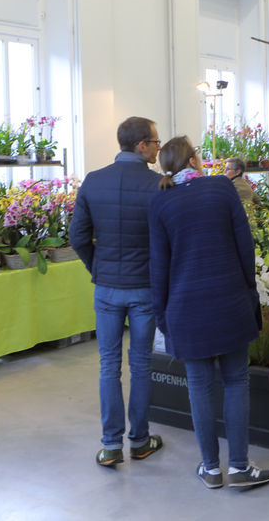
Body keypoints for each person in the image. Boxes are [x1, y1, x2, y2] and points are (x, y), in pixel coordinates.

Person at [149, 136, 269, 490]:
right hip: (229, 301)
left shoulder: (161, 203)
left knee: (199, 387)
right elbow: (244, 245)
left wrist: (162, 315)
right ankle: (238, 467)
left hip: (185, 310)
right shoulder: (222, 188)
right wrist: (248, 290)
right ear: (193, 161)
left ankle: (210, 468)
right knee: (236, 381)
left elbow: (159, 268)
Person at [69, 116, 164, 468]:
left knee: (108, 366)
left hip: (107, 290)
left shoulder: (93, 181)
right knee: (140, 366)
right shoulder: (159, 185)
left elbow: (78, 236)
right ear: (141, 145)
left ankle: (111, 446)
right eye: (154, 141)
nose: (157, 147)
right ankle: (139, 441)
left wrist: (99, 269)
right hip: (145, 289)